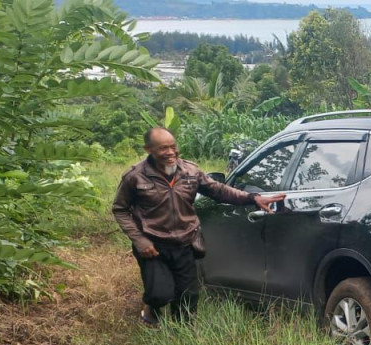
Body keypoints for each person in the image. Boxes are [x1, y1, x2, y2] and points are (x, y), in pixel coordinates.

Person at [112, 127, 284, 326]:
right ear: (149, 149)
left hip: (186, 241)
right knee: (160, 293)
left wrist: (253, 198)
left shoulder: (191, 171)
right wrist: (140, 240)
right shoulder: (135, 176)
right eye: (163, 148)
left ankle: (181, 333)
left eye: (173, 147)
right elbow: (120, 209)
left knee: (188, 296)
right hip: (153, 246)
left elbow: (218, 190)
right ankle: (152, 306)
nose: (170, 152)